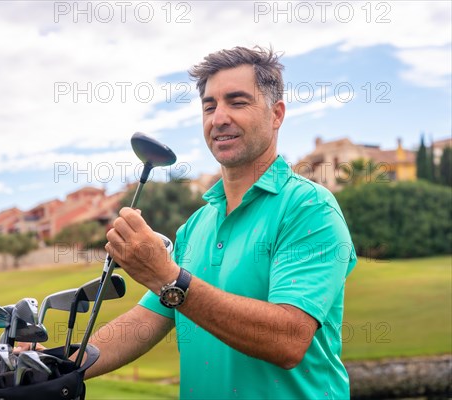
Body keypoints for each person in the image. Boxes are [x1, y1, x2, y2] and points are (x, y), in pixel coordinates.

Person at [87, 46, 357, 400]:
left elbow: (288, 340)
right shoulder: (196, 225)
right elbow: (144, 321)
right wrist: (49, 364)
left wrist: (168, 277)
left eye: (237, 102)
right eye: (209, 106)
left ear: (277, 114)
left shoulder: (310, 208)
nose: (219, 118)